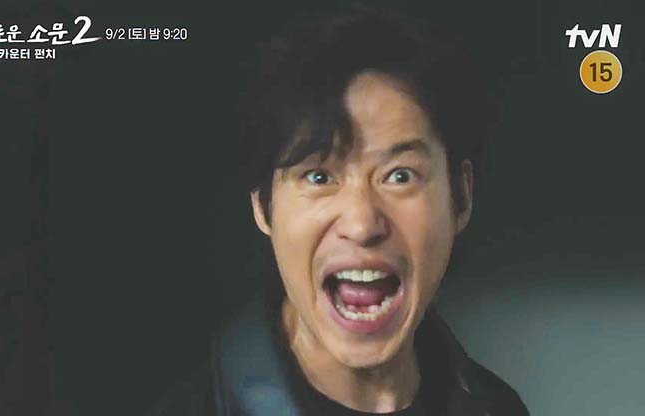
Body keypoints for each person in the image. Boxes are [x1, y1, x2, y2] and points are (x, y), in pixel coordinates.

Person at [147, 8, 529, 416]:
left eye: (400, 176)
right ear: (262, 205)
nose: (362, 224)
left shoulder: (497, 408)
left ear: (461, 197)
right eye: (318, 177)